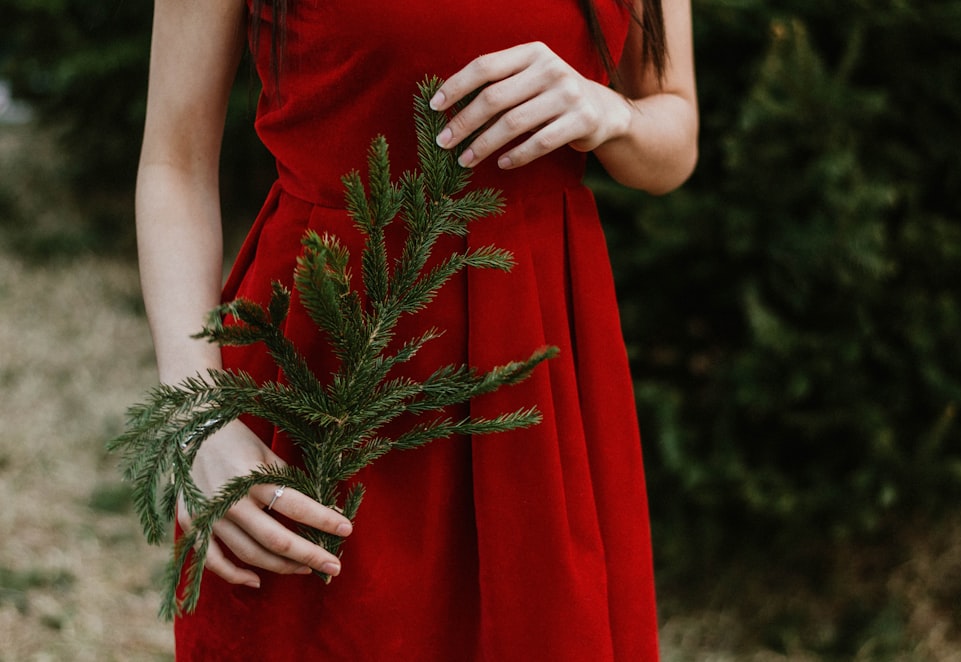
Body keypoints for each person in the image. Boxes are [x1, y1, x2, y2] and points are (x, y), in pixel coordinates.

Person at [135, 0, 697, 659]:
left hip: (537, 387)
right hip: (323, 377)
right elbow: (174, 164)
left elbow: (674, 129)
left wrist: (614, 115)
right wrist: (198, 411)